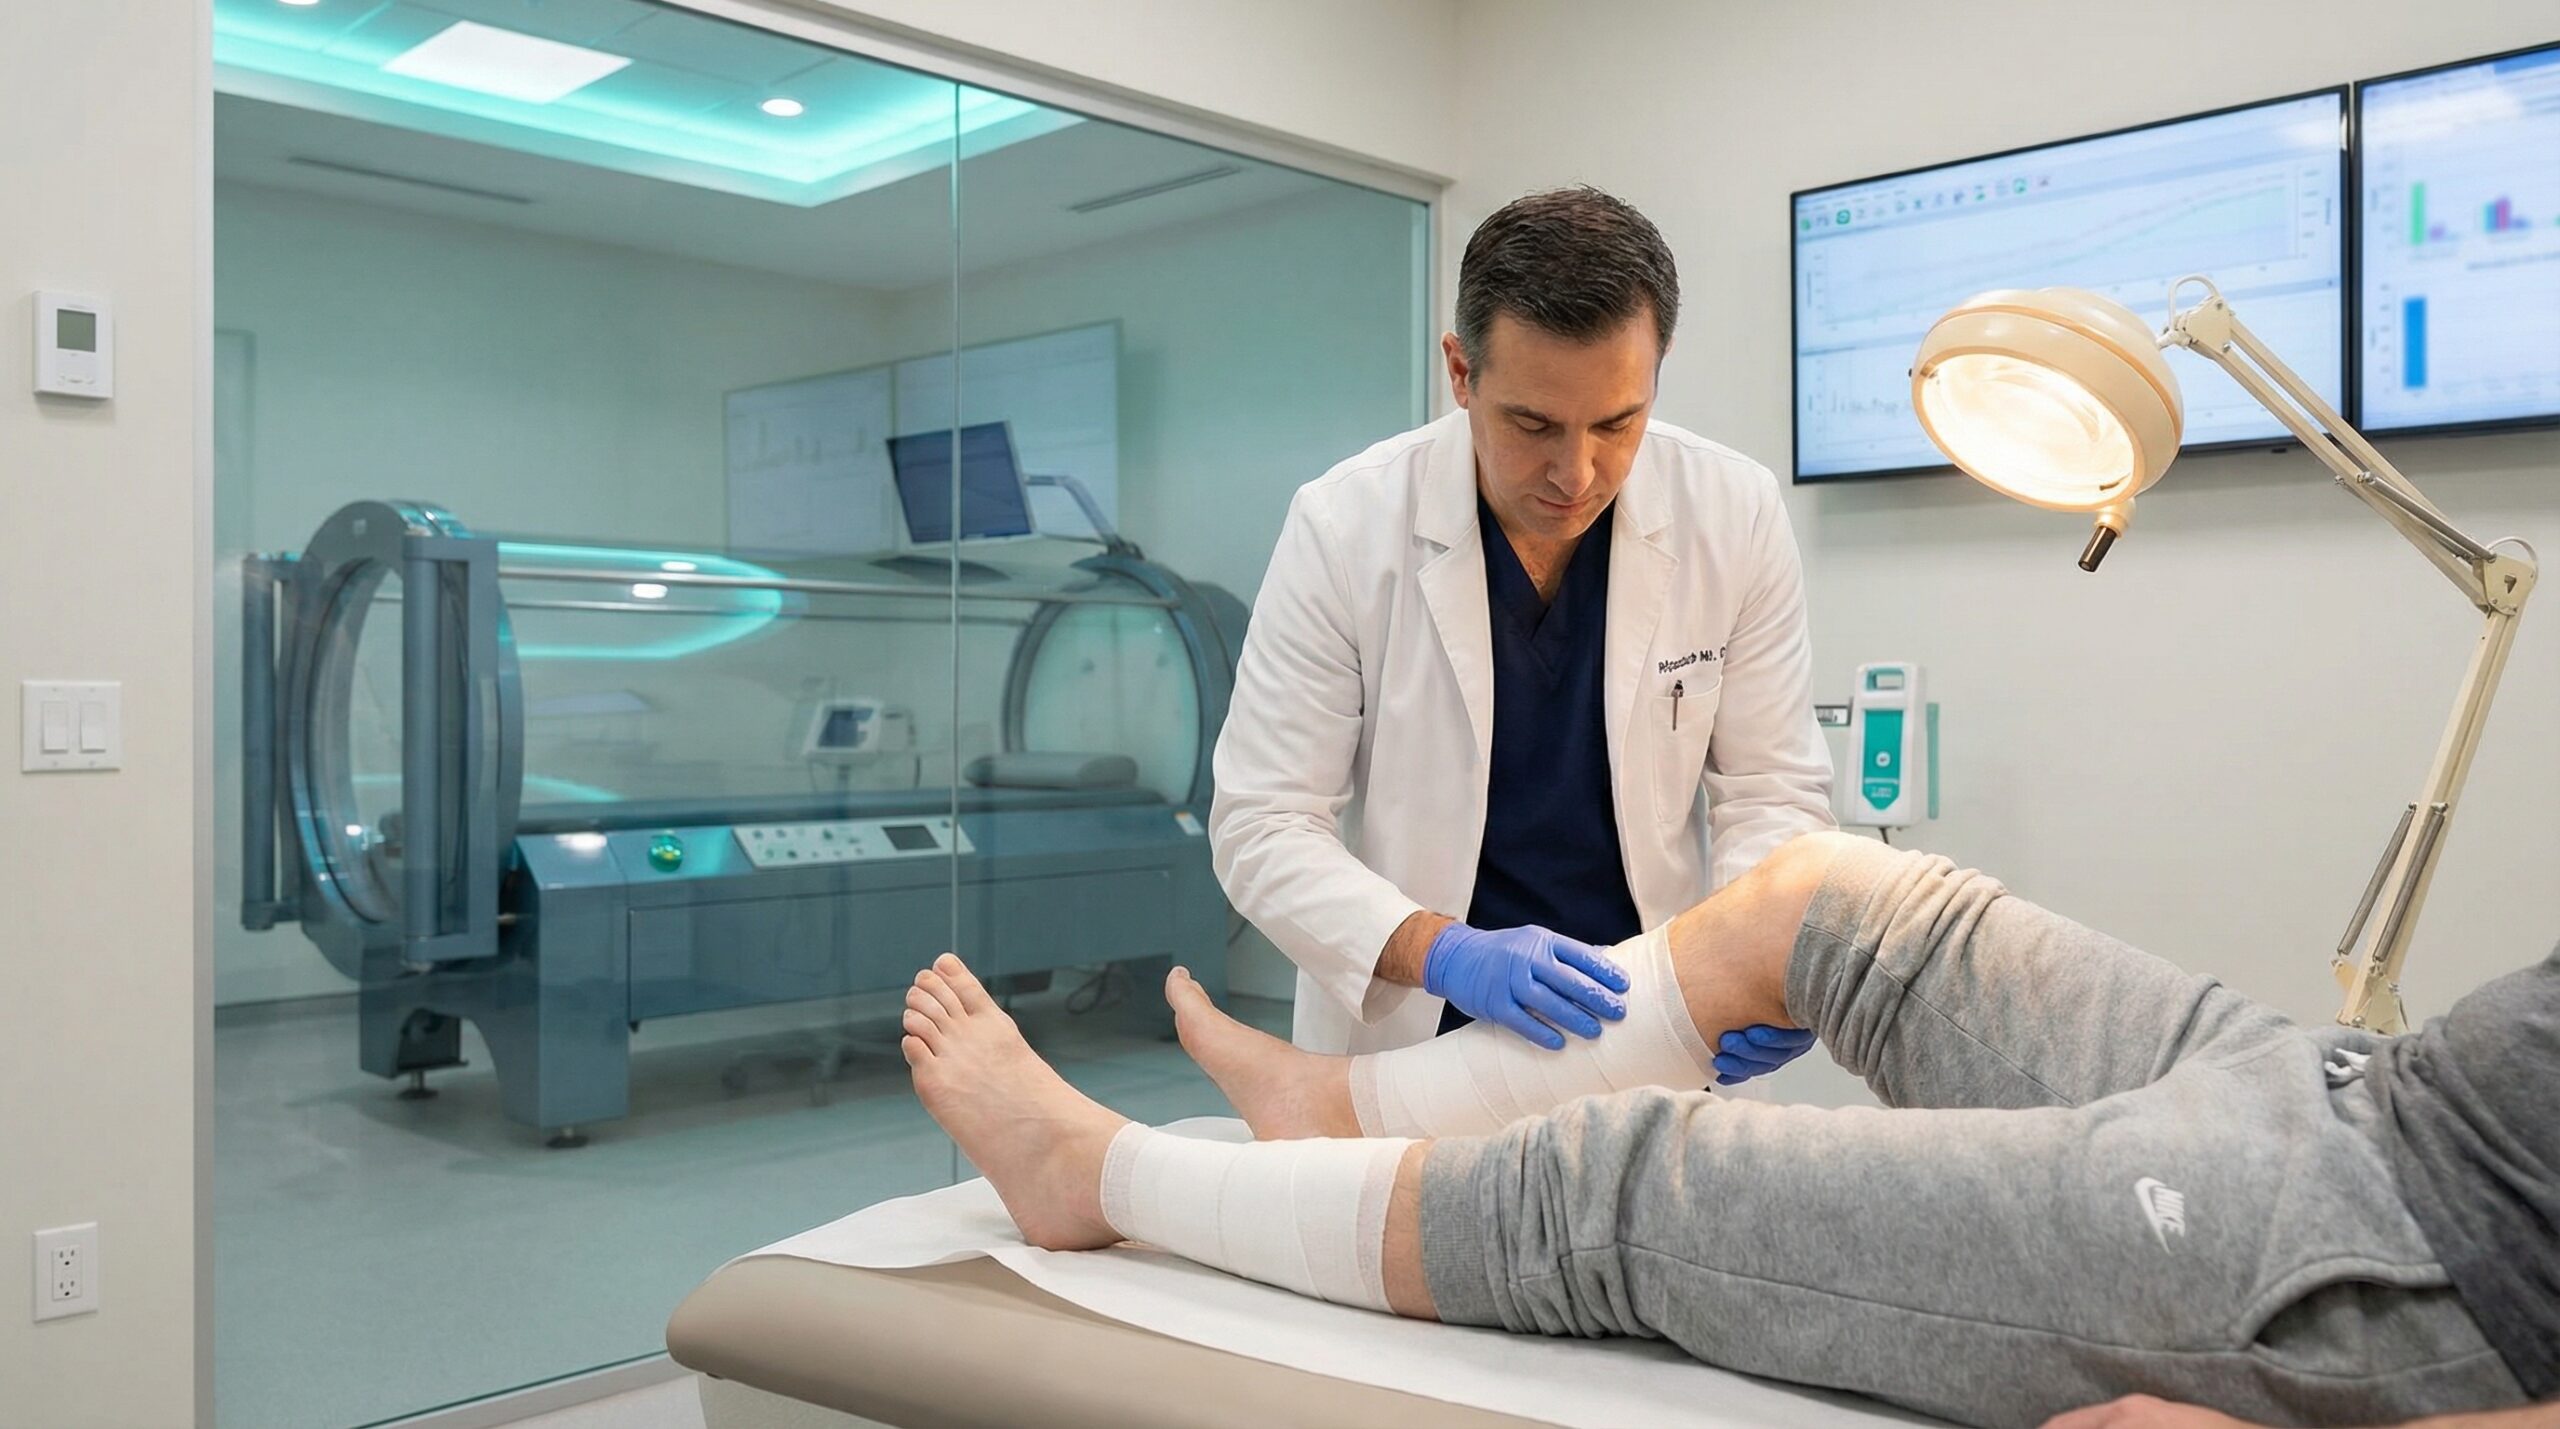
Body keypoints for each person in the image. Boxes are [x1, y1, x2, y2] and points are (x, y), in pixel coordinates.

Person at [898, 832, 2558, 1429]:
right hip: (2362, 1091)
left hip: (2408, 1269)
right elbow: (1264, 798)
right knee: (1837, 897)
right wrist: (1434, 955)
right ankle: (1342, 1104)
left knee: (1627, 1173)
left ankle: (1091, 1176)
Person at [1210, 186, 1832, 1072]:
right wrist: (1442, 952)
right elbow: (1263, 823)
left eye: (1618, 422)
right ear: (1461, 373)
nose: (1576, 473)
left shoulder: (1732, 511)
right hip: (1422, 1030)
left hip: (1653, 1022)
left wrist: (1765, 961)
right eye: (1533, 424)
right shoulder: (1344, 526)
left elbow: (1772, 790)